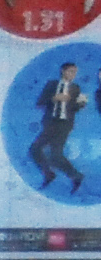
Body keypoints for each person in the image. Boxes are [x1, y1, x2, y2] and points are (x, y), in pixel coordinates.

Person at [35, 60, 88, 196]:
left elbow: (74, 108)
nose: (73, 75)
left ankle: (74, 176)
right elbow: (40, 102)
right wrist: (54, 98)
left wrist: (82, 104)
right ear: (63, 71)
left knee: (56, 155)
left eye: (75, 72)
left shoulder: (75, 88)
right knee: (35, 150)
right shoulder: (51, 85)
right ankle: (52, 174)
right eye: (71, 71)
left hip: (64, 124)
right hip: (51, 123)